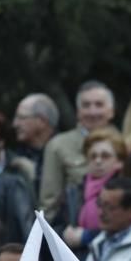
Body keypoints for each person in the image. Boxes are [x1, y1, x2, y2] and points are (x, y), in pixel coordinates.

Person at [40, 80, 115, 217]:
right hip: (72, 231)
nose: (93, 112)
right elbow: (50, 202)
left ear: (111, 111)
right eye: (86, 105)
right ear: (78, 112)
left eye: (99, 105)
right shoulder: (58, 145)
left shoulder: (125, 144)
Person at [58, 126, 127, 251]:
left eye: (105, 156)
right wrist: (64, 234)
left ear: (119, 162)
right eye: (93, 156)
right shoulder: (74, 191)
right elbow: (57, 225)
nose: (98, 161)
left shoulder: (126, 190)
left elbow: (125, 229)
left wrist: (87, 236)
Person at [12, 92, 59, 192]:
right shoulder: (14, 156)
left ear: (41, 121)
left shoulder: (63, 152)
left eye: (22, 118)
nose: (15, 124)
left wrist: (36, 177)